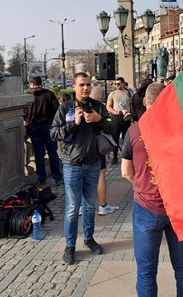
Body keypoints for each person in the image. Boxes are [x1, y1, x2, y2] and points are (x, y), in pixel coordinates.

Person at [121, 83, 183, 297]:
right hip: (178, 208)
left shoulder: (134, 131)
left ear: (145, 102)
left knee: (146, 272)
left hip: (147, 206)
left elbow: (126, 171)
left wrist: (143, 185)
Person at [50, 72, 114, 265]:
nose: (85, 88)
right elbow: (54, 133)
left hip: (93, 164)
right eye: (81, 85)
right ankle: (70, 246)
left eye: (88, 84)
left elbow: (113, 125)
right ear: (74, 86)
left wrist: (99, 120)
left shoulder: (98, 107)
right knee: (72, 207)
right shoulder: (66, 107)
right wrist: (73, 124)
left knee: (89, 205)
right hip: (72, 164)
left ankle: (89, 239)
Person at [23, 76, 63, 186]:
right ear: (41, 83)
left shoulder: (26, 95)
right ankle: (57, 177)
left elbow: (22, 113)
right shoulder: (49, 94)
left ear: (31, 84)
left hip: (33, 127)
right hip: (48, 126)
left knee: (38, 154)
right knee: (53, 152)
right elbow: (57, 111)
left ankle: (41, 178)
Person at [90, 86, 120, 216]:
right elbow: (109, 124)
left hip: (81, 148)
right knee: (101, 174)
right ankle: (102, 205)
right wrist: (103, 120)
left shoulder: (76, 105)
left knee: (82, 177)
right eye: (101, 95)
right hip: (97, 146)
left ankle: (80, 206)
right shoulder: (99, 107)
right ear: (97, 95)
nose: (102, 97)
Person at [106, 76, 132, 164]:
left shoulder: (129, 93)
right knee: (115, 137)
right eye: (115, 84)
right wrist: (115, 112)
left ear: (124, 84)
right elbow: (108, 106)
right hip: (116, 117)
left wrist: (131, 115)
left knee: (126, 137)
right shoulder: (112, 94)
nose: (117, 85)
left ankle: (126, 157)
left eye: (119, 83)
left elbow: (132, 105)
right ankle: (114, 156)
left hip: (126, 117)